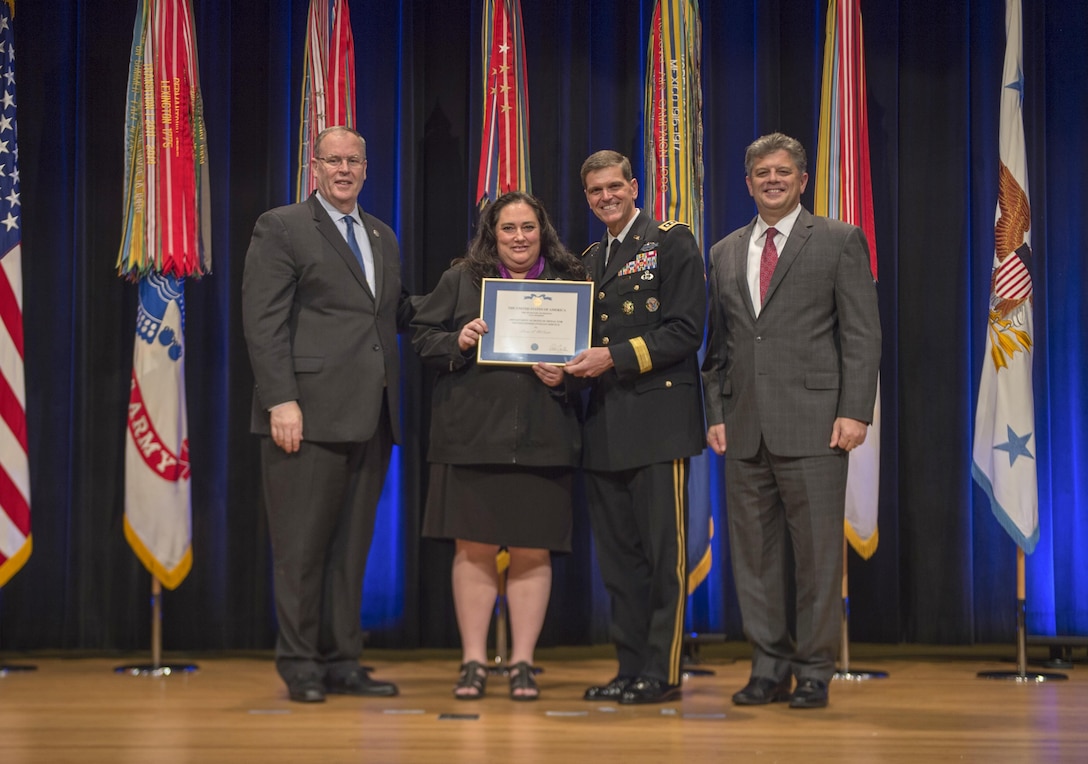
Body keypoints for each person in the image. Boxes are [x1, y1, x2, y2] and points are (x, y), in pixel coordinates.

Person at [701, 132, 881, 709]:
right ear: (748, 182)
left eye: (783, 172)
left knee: (817, 559)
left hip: (816, 425)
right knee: (753, 559)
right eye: (761, 173)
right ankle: (768, 666)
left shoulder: (837, 240)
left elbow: (861, 335)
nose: (772, 180)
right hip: (744, 427)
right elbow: (720, 346)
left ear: (802, 180)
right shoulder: (725, 251)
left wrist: (855, 410)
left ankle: (814, 671)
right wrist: (716, 413)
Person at [242, 126, 414, 703]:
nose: (344, 169)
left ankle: (343, 660)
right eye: (333, 159)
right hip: (305, 416)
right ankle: (301, 664)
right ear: (314, 165)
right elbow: (262, 322)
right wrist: (280, 401)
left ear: (367, 168)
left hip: (371, 416)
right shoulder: (283, 226)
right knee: (301, 549)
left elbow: (395, 312)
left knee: (350, 551)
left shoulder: (381, 235)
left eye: (354, 161)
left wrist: (466, 321)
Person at [411, 191, 586, 702]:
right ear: (492, 234)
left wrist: (568, 377)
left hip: (544, 438)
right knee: (474, 549)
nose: (518, 237)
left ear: (542, 231)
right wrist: (457, 341)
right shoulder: (461, 281)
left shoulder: (568, 285)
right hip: (470, 438)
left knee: (534, 551)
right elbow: (422, 336)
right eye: (508, 228)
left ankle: (523, 664)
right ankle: (472, 663)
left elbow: (594, 363)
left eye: (528, 227)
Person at [565, 150, 706, 705]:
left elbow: (685, 330)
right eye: (595, 191)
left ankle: (662, 671)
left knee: (662, 559)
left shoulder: (671, 241)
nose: (606, 197)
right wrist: (565, 366)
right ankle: (629, 668)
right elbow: (583, 342)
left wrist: (610, 359)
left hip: (658, 424)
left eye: (613, 187)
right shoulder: (591, 257)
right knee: (620, 564)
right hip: (603, 427)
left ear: (634, 185)